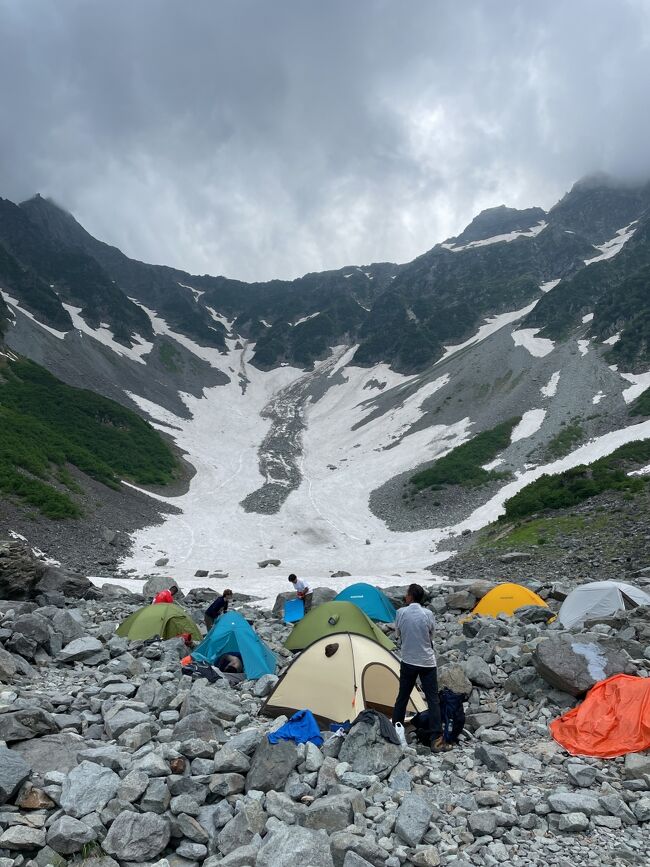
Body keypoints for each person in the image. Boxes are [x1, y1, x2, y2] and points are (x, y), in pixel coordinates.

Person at [392, 583, 451, 753]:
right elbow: (431, 635)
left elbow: (398, 634)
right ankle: (436, 740)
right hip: (427, 662)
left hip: (409, 661)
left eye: (406, 594)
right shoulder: (428, 614)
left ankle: (397, 733)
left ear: (410, 596)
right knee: (433, 700)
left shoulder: (400, 613)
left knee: (402, 697)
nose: (405, 596)